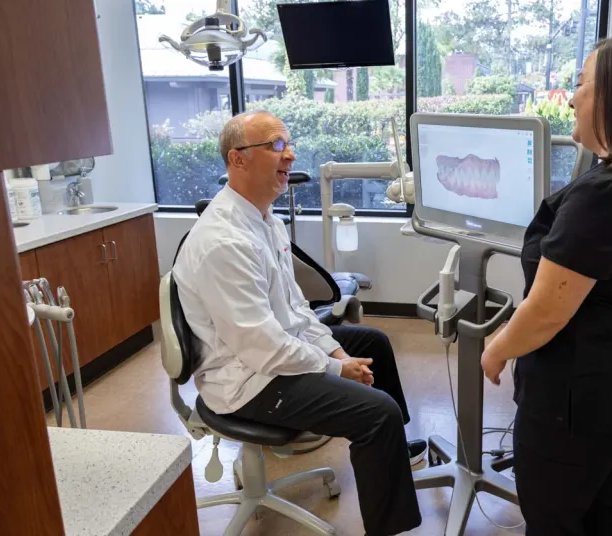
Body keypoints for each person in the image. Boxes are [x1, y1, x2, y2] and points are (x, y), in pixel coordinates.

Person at [480, 33, 612, 536]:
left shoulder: (608, 194)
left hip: (580, 393)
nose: (572, 97)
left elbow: (547, 311)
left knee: (552, 516)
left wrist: (496, 348)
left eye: (581, 84)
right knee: (599, 504)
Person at [172, 111, 424, 535]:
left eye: (288, 144)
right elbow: (262, 347)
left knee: (373, 342)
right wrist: (336, 368)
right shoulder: (223, 242)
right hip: (246, 383)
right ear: (238, 159)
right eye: (275, 145)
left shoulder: (264, 219)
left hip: (266, 354)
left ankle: (393, 452)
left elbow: (296, 311)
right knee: (376, 413)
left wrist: (339, 351)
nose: (288, 154)